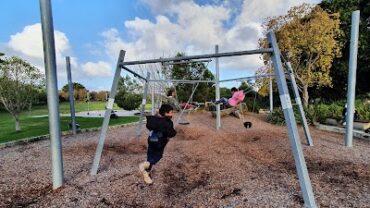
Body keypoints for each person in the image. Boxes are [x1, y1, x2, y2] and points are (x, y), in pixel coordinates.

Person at [139, 104, 177, 184]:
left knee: (150, 156)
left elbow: (149, 126)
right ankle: (144, 165)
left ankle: (147, 174)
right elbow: (171, 133)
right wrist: (174, 132)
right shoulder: (167, 122)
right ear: (166, 113)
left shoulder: (153, 119)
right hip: (160, 143)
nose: (172, 114)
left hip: (151, 140)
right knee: (158, 156)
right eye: (171, 112)